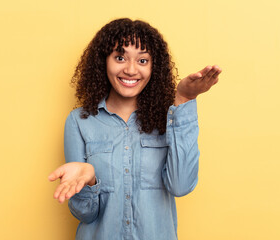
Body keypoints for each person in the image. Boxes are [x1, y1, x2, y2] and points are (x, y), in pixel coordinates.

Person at [48, 18, 222, 240]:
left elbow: (181, 186)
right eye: (120, 58)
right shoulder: (79, 121)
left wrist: (185, 100)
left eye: (142, 60)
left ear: (153, 67)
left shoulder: (168, 119)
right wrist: (89, 181)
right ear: (104, 61)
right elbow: (86, 214)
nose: (131, 70)